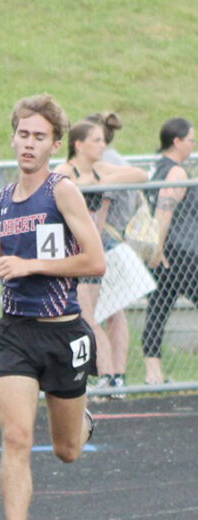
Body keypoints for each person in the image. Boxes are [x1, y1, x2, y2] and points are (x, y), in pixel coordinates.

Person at [0, 95, 104, 520]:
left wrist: (32, 265)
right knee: (17, 435)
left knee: (67, 450)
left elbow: (95, 261)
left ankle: (82, 420)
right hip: (16, 333)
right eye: (23, 134)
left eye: (39, 137)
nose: (29, 143)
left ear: (55, 145)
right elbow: (3, 260)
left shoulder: (63, 192)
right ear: (13, 137)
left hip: (63, 332)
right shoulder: (1, 200)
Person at [53, 119, 147, 396]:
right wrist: (85, 184)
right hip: (74, 253)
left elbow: (141, 175)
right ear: (79, 145)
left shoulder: (100, 169)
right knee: (88, 316)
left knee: (110, 313)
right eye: (96, 140)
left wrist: (102, 181)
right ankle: (107, 375)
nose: (103, 145)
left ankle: (115, 377)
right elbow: (56, 193)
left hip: (98, 250)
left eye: (103, 140)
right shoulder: (64, 172)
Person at [142, 117, 198, 385]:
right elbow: (165, 210)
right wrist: (158, 246)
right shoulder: (176, 172)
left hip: (166, 254)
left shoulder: (156, 168)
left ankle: (153, 375)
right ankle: (154, 375)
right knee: (158, 308)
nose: (193, 145)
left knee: (158, 310)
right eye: (191, 140)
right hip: (182, 253)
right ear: (177, 142)